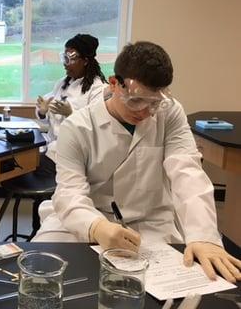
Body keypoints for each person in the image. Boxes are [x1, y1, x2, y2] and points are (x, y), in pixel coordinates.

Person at [33, 41, 241, 283]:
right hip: (84, 217)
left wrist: (204, 236)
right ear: (114, 84)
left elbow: (187, 171)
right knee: (43, 274)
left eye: (154, 103)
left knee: (190, 282)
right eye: (136, 101)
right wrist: (95, 227)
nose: (144, 112)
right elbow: (69, 192)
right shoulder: (78, 126)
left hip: (149, 222)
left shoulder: (169, 112)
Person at [26, 34, 107, 232]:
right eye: (64, 57)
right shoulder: (62, 83)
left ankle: (41, 229)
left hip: (74, 156)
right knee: (23, 162)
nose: (66, 64)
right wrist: (43, 111)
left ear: (86, 60)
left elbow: (97, 126)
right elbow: (46, 116)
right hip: (53, 149)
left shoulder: (98, 90)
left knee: (30, 167)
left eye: (71, 58)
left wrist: (72, 113)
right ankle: (40, 227)